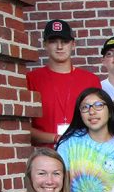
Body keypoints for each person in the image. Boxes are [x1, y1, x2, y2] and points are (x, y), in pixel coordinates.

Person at [26, 19, 102, 148]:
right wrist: (56, 138)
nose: (59, 46)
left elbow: (100, 121)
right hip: (45, 155)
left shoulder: (91, 80)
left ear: (73, 44)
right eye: (53, 41)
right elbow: (23, 128)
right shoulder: (31, 79)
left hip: (83, 152)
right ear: (45, 44)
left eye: (64, 41)